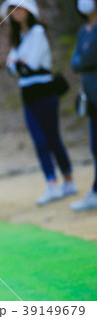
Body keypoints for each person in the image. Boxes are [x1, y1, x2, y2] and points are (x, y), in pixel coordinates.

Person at [0, 0, 77, 205]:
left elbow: (30, 65)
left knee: (52, 138)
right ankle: (51, 183)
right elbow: (12, 67)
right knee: (39, 139)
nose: (16, 13)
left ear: (29, 10)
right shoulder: (20, 37)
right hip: (28, 95)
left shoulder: (38, 33)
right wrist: (18, 63)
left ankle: (68, 180)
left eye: (20, 8)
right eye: (13, 10)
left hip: (45, 92)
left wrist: (19, 63)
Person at [70, 0, 97, 210]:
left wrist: (84, 60)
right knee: (95, 146)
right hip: (90, 97)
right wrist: (83, 61)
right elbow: (76, 61)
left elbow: (86, 58)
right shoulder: (82, 31)